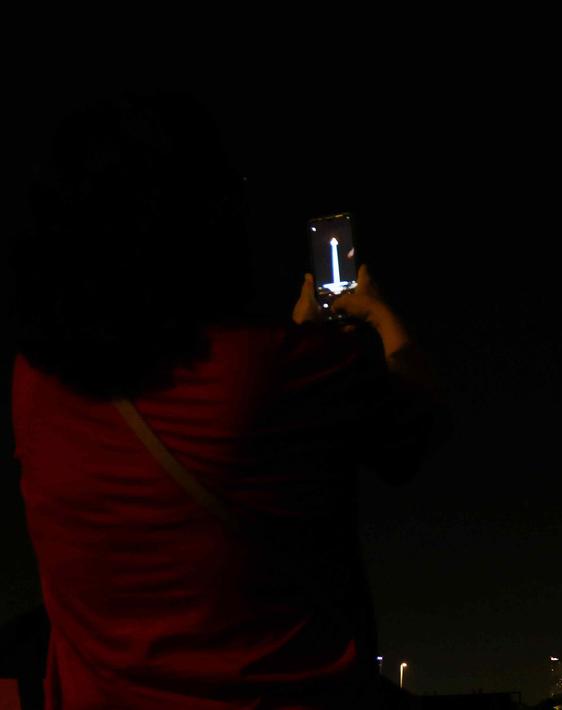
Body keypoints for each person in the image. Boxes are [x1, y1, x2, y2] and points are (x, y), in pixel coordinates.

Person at [9, 92, 450, 707]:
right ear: (197, 217)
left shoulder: (32, 384)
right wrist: (378, 315)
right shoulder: (280, 371)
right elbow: (413, 430)